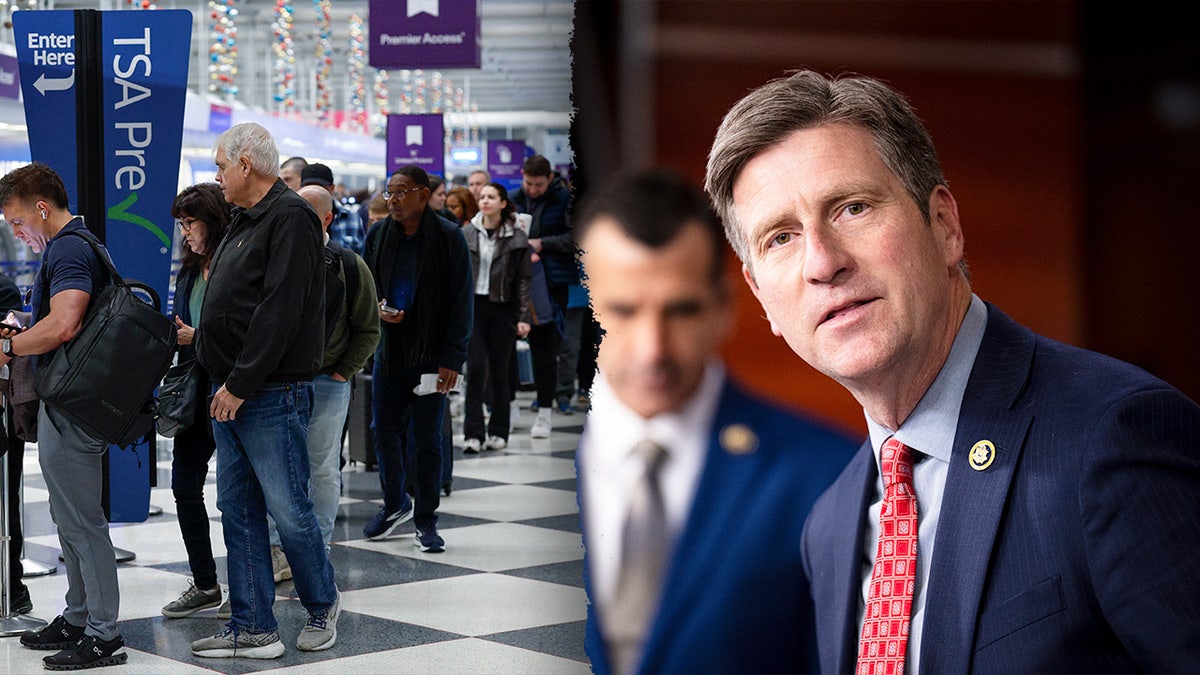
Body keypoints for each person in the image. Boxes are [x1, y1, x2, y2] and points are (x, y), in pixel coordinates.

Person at [705, 69, 1200, 673]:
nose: (822, 263)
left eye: (852, 208)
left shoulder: (1113, 435)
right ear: (760, 298)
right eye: (780, 238)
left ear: (944, 226)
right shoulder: (829, 527)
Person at [577, 169, 857, 674]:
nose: (652, 349)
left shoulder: (832, 475)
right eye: (621, 310)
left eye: (681, 310)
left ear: (724, 307)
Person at [190, 122, 339, 659]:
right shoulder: (243, 219)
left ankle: (321, 604)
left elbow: (280, 312)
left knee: (288, 507)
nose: (218, 177)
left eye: (220, 167)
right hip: (228, 391)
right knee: (238, 509)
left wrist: (239, 383)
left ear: (246, 165)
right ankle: (254, 626)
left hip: (267, 392)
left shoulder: (291, 217)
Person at [0, 162, 128, 669]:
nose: (16, 232)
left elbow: (66, 323)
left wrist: (9, 348)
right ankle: (78, 616)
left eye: (16, 221)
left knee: (81, 521)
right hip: (72, 398)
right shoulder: (74, 245)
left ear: (41, 207)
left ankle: (103, 632)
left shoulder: (70, 246)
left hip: (73, 404)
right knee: (67, 516)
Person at [266, 185, 379, 580]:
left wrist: (341, 371)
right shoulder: (276, 258)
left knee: (321, 467)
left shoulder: (349, 265)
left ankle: (319, 546)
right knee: (278, 467)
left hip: (327, 381)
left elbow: (368, 328)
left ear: (327, 218)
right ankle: (280, 549)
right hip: (278, 381)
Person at [361, 165, 472, 552]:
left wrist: (452, 359)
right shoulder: (378, 234)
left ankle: (427, 519)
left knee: (426, 440)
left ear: (424, 195)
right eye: (389, 192)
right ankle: (395, 504)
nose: (393, 200)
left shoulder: (448, 237)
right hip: (389, 352)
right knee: (382, 431)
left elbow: (461, 301)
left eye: (402, 192)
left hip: (431, 356)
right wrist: (377, 308)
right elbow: (366, 287)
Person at [160, 183, 232, 619]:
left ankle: (248, 587)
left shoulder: (237, 261)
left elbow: (249, 331)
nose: (185, 232)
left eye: (191, 222)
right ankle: (205, 582)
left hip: (236, 390)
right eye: (181, 224)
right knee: (185, 487)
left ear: (214, 219)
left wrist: (196, 337)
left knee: (241, 496)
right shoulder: (189, 271)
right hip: (194, 391)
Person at [461, 182, 531, 453]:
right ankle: (473, 433)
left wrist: (524, 316)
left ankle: (499, 430)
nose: (485, 201)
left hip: (503, 307)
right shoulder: (467, 232)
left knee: (501, 371)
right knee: (476, 368)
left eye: (492, 197)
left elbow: (524, 280)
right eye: (482, 197)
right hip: (475, 306)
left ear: (503, 203)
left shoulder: (516, 237)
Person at [510, 154, 580, 414]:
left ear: (550, 178)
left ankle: (558, 394)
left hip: (553, 277)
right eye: (528, 183)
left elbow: (576, 238)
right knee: (531, 339)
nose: (533, 189)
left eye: (538, 184)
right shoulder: (514, 199)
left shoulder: (566, 200)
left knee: (555, 340)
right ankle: (541, 393)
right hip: (518, 278)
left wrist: (543, 243)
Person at [0, 271, 31, 616]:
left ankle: (11, 586)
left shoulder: (3, 288)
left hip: (4, 411)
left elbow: (8, 347)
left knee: (3, 499)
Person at [301, 163, 365, 254]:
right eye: (310, 188)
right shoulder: (293, 217)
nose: (316, 193)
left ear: (332, 188)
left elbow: (361, 256)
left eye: (321, 188)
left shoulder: (351, 218)